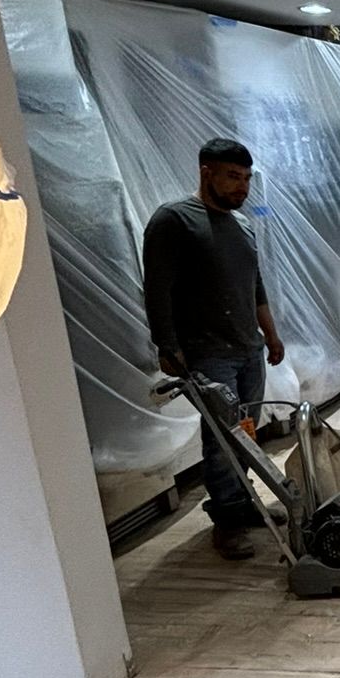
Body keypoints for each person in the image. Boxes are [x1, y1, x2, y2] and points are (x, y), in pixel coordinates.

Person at [142, 137, 286, 560]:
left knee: (246, 434)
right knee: (223, 439)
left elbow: (254, 285)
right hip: (208, 353)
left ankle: (245, 506)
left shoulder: (241, 225)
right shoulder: (173, 221)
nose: (241, 187)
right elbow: (158, 289)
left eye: (245, 179)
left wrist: (271, 335)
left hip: (248, 348)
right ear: (207, 172)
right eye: (231, 177)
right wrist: (167, 346)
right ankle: (226, 522)